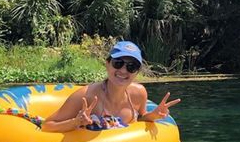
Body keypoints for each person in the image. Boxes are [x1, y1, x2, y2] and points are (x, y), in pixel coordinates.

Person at [41, 40, 180, 132]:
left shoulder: (139, 94)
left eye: (131, 67)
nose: (124, 71)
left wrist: (153, 116)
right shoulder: (86, 95)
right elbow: (46, 126)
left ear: (137, 72)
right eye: (118, 63)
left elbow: (141, 119)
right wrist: (75, 122)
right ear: (107, 64)